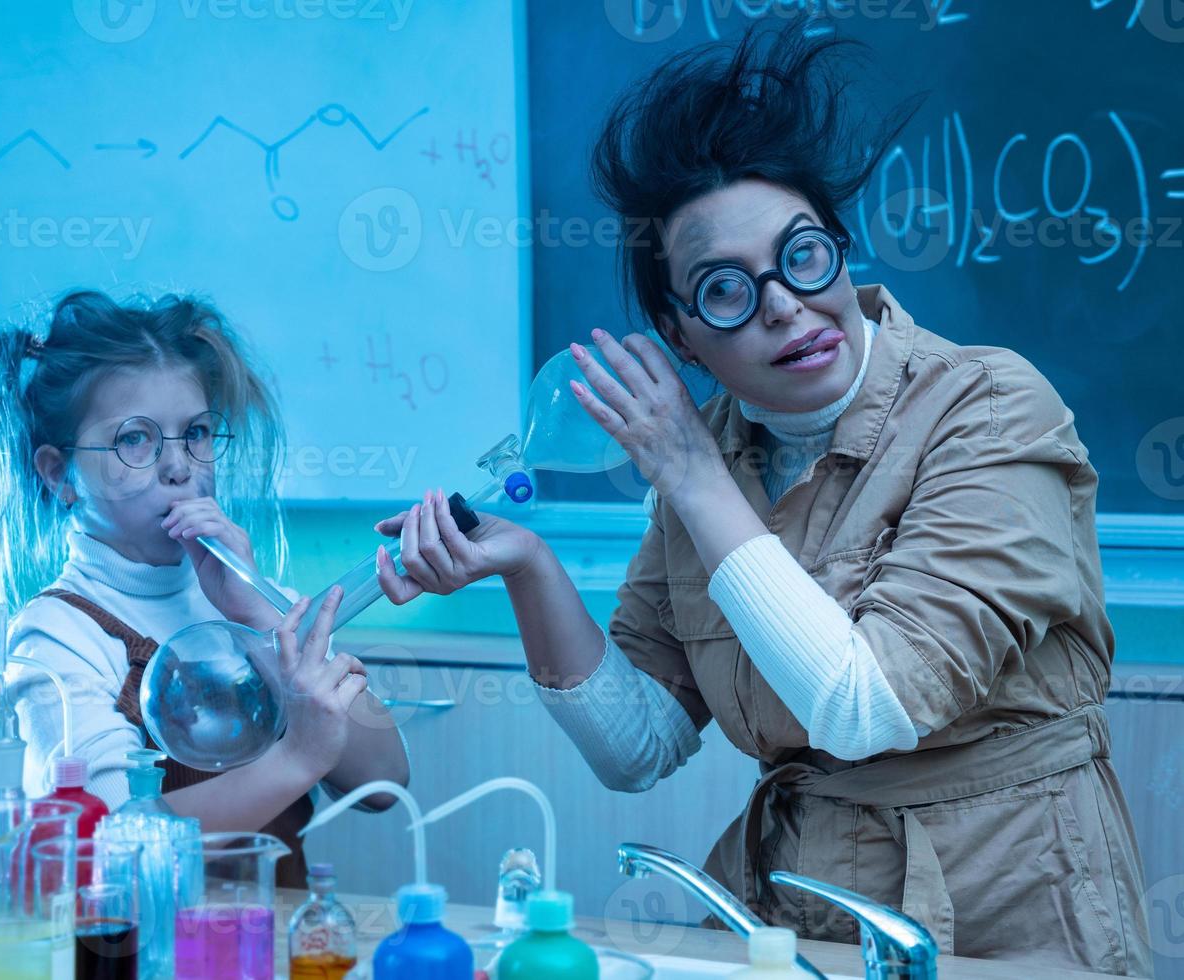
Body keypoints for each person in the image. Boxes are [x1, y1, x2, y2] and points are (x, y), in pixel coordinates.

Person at [371, 24, 1150, 976]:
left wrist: (690, 473)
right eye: (727, 289)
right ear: (680, 334)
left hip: (1003, 904)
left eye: (805, 256)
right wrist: (528, 568)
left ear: (841, 250)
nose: (784, 305)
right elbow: (638, 746)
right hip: (798, 903)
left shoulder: (988, 406)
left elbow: (871, 705)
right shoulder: (708, 461)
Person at [0, 289, 408, 885]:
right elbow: (110, 839)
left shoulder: (250, 594)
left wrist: (260, 620)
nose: (179, 466)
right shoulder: (56, 634)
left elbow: (386, 781)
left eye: (197, 433)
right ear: (59, 473)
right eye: (134, 439)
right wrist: (299, 757)